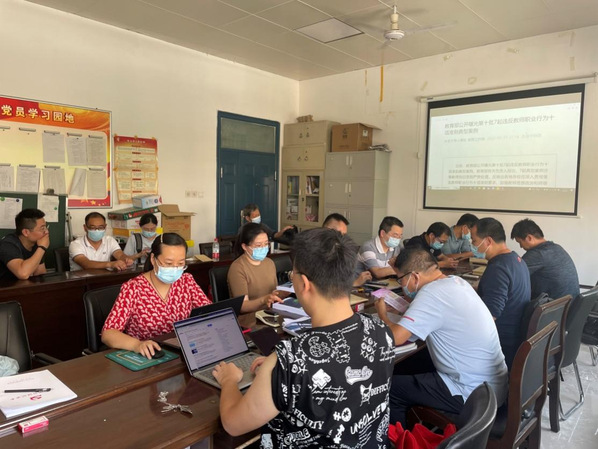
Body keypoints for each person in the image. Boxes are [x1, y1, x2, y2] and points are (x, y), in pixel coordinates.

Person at [213, 228, 396, 447]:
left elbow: (233, 424)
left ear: (304, 284)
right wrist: (275, 375)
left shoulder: (291, 360)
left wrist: (228, 380)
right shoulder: (382, 331)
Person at [375, 247, 508, 427]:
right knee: (411, 365)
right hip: (492, 385)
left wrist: (382, 314)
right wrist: (409, 307)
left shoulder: (431, 294)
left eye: (401, 279)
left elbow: (395, 338)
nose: (402, 285)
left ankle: (401, 438)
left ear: (414, 277)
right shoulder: (456, 282)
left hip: (471, 393)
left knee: (390, 389)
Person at [101, 233, 211, 359]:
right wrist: (137, 345)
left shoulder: (186, 281)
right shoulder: (133, 288)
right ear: (153, 259)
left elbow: (210, 312)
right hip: (148, 357)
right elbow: (108, 333)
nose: (175, 269)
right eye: (168, 263)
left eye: (181, 263)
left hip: (181, 353)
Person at [471, 217, 531, 369]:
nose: (472, 245)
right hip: (515, 335)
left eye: (474, 240)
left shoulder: (497, 268)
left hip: (499, 344)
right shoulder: (516, 259)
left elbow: (491, 315)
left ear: (488, 241)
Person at [511, 218, 580, 300]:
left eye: (520, 242)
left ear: (529, 238)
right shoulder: (557, 248)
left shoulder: (537, 254)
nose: (521, 246)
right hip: (571, 303)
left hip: (554, 306)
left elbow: (512, 276)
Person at [228, 223, 284, 313]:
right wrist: (264, 300)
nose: (263, 248)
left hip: (271, 313)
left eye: (266, 244)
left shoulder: (269, 263)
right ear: (244, 246)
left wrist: (287, 291)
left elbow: (273, 294)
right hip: (250, 318)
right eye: (258, 245)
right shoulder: (237, 268)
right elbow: (242, 306)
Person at [69, 212, 134, 271]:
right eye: (93, 228)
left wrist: (126, 259)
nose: (97, 230)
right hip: (82, 279)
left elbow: (120, 254)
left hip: (104, 278)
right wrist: (110, 264)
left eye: (100, 227)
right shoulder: (75, 244)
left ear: (105, 227)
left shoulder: (109, 240)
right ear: (85, 228)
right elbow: (86, 264)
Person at [323, 212, 372, 286]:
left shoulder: (338, 251)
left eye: (344, 235)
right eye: (340, 234)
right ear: (327, 230)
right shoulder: (315, 251)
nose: (343, 239)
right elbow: (326, 286)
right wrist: (355, 283)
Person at [0, 208, 49, 281]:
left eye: (46, 227)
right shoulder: (8, 244)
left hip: (22, 286)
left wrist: (40, 248)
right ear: (26, 232)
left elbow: (40, 273)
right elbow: (23, 274)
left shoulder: (36, 244)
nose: (46, 232)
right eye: (42, 228)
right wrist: (42, 248)